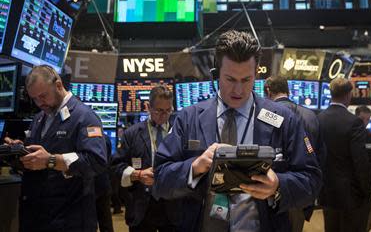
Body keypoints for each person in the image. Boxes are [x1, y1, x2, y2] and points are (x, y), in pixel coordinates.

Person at [153, 30, 322, 232]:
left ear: (257, 72)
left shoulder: (283, 119)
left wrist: (278, 185)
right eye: (230, 79)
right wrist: (194, 167)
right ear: (216, 73)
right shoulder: (188, 119)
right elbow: (160, 179)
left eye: (246, 80)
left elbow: (312, 180)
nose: (238, 91)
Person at [5, 65, 107, 232]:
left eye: (43, 96)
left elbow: (96, 161)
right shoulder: (39, 118)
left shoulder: (85, 116)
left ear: (58, 85)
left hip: (69, 218)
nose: (39, 103)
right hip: (38, 216)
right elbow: (39, 155)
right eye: (35, 99)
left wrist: (51, 161)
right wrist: (19, 150)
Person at [112, 85, 178, 232]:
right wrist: (138, 175)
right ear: (148, 107)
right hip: (141, 207)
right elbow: (115, 166)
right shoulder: (132, 134)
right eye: (159, 111)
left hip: (173, 208)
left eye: (168, 110)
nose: (164, 115)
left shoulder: (179, 132)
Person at [264, 75, 324, 232]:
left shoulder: (265, 115)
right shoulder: (311, 115)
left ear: (268, 91)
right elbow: (321, 158)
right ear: (288, 90)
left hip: (274, 192)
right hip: (303, 192)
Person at [318, 78, 371, 232]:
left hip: (327, 192)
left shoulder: (318, 119)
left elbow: (311, 152)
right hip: (351, 195)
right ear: (349, 95)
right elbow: (360, 160)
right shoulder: (354, 122)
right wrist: (368, 192)